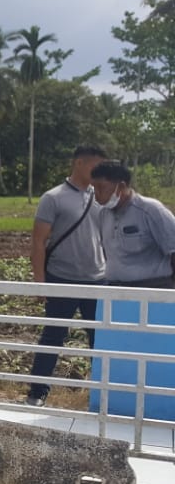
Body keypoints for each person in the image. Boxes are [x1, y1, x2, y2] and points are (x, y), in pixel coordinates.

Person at [26, 146, 107, 407]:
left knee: (101, 339)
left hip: (97, 279)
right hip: (62, 277)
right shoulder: (54, 198)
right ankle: (37, 393)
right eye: (96, 166)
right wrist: (40, 283)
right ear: (79, 163)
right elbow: (39, 242)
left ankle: (103, 393)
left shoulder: (103, 197)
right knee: (53, 336)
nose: (100, 172)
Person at [91, 160, 175, 288]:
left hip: (152, 288)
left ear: (121, 186)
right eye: (94, 188)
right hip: (113, 289)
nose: (96, 195)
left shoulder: (151, 210)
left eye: (101, 188)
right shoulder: (103, 213)